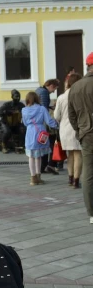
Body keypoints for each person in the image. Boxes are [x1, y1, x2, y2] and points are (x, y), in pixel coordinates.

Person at [68, 52, 93, 224]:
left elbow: (71, 115)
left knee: (89, 173)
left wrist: (80, 130)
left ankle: (92, 212)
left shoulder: (75, 87)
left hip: (86, 134)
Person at [22, 92, 58, 186]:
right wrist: (57, 125)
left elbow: (25, 123)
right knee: (38, 156)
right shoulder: (42, 108)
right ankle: (38, 176)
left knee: (31, 155)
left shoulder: (24, 110)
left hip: (30, 132)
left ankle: (33, 177)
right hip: (40, 132)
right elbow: (49, 121)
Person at [55, 73, 83, 188]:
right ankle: (76, 180)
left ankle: (70, 178)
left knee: (70, 155)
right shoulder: (80, 96)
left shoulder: (61, 97)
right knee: (78, 154)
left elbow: (56, 116)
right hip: (78, 128)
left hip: (65, 129)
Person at [36, 79, 60, 174]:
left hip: (38, 123)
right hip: (44, 124)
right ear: (50, 85)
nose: (53, 91)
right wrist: (53, 124)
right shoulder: (44, 93)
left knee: (44, 143)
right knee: (49, 142)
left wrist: (50, 107)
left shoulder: (39, 90)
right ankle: (45, 166)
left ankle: (42, 166)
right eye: (54, 88)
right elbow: (44, 109)